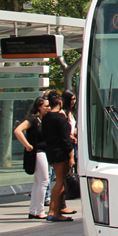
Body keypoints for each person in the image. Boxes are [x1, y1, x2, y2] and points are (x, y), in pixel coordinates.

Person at [41, 91, 75, 222]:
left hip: (51, 151)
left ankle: (54, 211)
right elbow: (65, 139)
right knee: (60, 181)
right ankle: (55, 211)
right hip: (61, 152)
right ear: (60, 102)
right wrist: (71, 155)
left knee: (58, 180)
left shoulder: (46, 117)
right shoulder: (61, 118)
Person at [14, 96, 50, 219]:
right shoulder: (33, 120)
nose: (48, 108)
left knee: (38, 182)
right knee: (44, 181)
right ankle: (40, 210)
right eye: (46, 106)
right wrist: (27, 145)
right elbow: (18, 130)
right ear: (39, 107)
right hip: (37, 152)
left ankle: (33, 210)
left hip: (42, 152)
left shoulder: (43, 120)